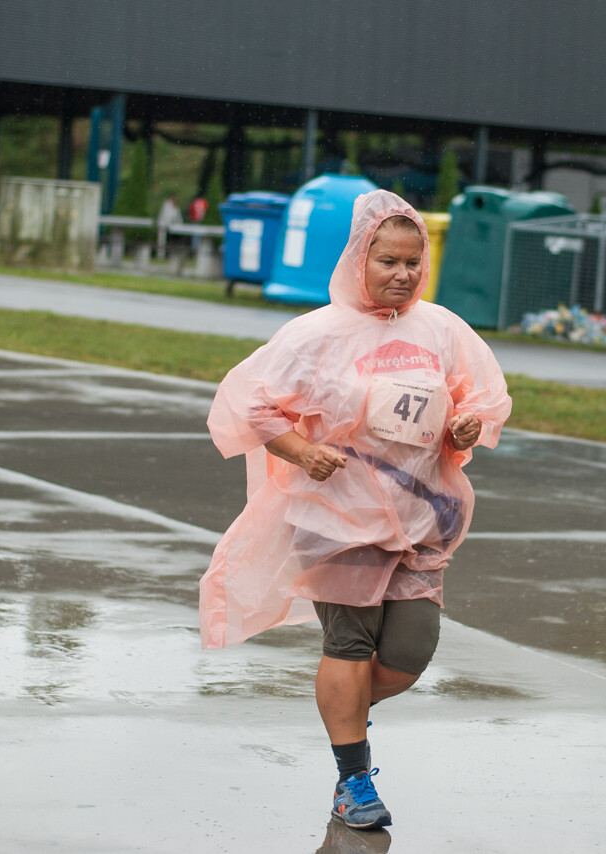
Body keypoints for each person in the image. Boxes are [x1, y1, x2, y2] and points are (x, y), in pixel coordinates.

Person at [200, 190, 511, 830]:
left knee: (408, 654)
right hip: (334, 516)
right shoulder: (316, 334)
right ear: (358, 259)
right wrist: (303, 451)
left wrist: (463, 430)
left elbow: (470, 399)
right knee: (348, 644)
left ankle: (345, 709)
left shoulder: (443, 329)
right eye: (388, 262)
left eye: (412, 264)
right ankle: (353, 780)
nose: (401, 275)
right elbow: (254, 407)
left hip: (421, 516)